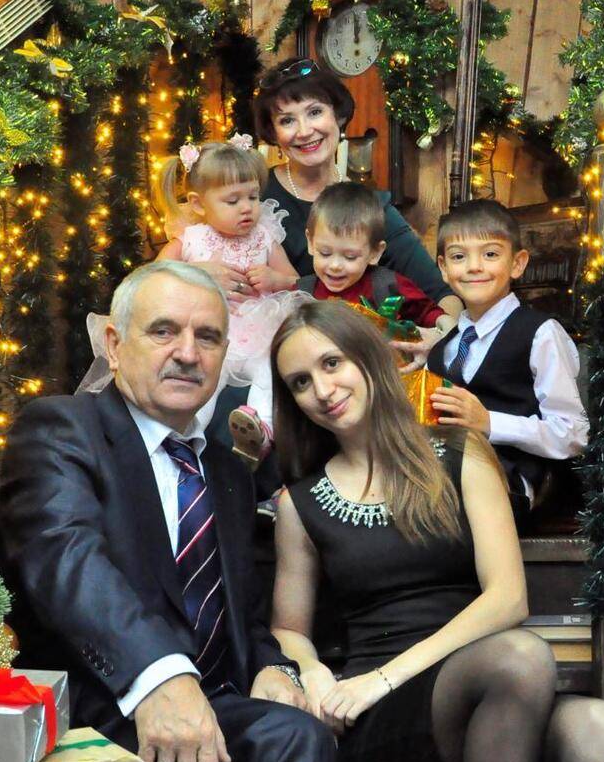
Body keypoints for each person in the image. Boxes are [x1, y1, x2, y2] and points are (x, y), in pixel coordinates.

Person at [267, 301, 604, 762]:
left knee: (597, 726)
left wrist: (385, 676)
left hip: (479, 702)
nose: (322, 390)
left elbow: (508, 599)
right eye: (301, 382)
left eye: (332, 363)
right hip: (385, 733)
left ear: (370, 360)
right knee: (519, 656)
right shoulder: (298, 503)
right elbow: (288, 629)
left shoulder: (461, 453)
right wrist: (313, 670)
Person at [0, 262, 336, 762]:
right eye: (163, 331)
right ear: (114, 344)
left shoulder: (227, 472)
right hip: (100, 723)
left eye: (208, 337)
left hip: (213, 724)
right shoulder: (61, 429)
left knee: (294, 736)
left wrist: (272, 667)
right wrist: (159, 678)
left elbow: (240, 613)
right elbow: (66, 560)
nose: (187, 353)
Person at [252, 57, 458, 320]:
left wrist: (439, 335)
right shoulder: (253, 194)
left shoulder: (371, 207)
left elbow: (442, 297)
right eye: (287, 120)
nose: (304, 131)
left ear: (338, 116)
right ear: (273, 133)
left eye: (315, 112)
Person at [424, 200, 588, 524]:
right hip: (444, 481)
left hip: (516, 486)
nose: (474, 267)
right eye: (459, 256)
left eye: (490, 254)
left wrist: (489, 422)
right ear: (443, 268)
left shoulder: (540, 334)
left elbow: (573, 435)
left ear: (517, 263)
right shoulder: (441, 351)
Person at [153, 136, 309, 466]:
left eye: (253, 196)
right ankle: (185, 435)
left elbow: (296, 281)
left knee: (270, 367)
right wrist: (194, 271)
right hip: (210, 335)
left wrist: (274, 278)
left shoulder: (264, 237)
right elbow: (154, 277)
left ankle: (259, 431)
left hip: (259, 333)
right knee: (203, 379)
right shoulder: (191, 239)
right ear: (198, 204)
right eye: (232, 200)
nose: (247, 207)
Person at [297, 181, 455, 334]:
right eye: (325, 253)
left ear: (375, 253)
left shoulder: (389, 286)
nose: (335, 265)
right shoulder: (299, 294)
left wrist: (444, 325)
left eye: (350, 257)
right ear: (310, 242)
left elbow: (428, 313)